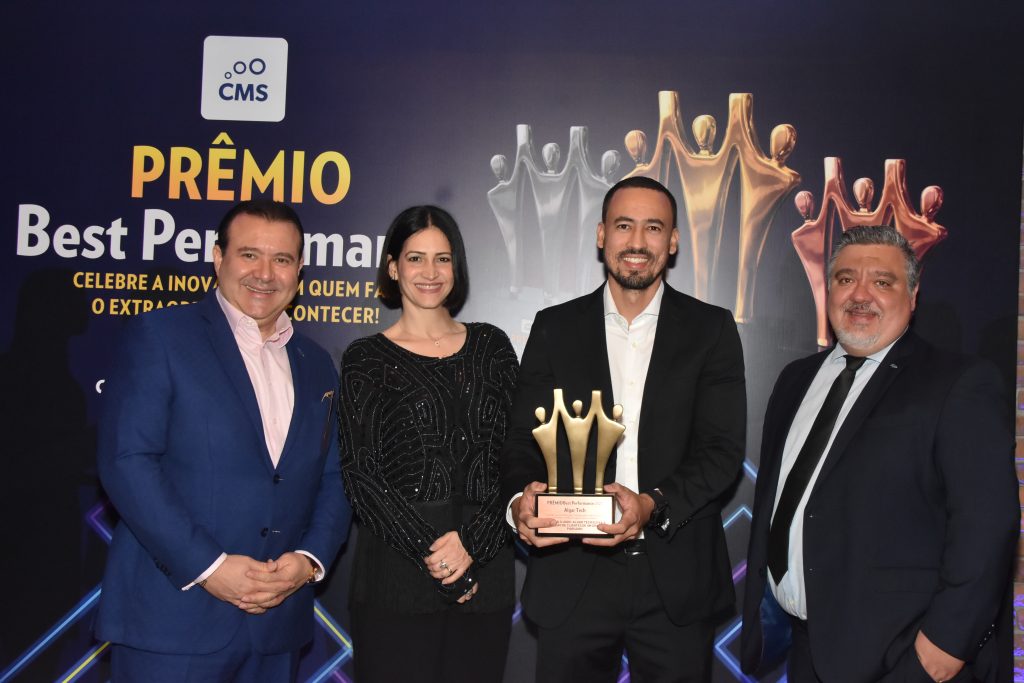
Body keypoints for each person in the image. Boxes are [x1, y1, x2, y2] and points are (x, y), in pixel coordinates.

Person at [741, 226, 1018, 682]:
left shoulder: (958, 383)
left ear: (912, 295)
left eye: (882, 282)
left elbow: (988, 526)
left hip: (903, 661)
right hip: (804, 652)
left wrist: (942, 651)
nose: (860, 294)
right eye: (846, 279)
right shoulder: (796, 380)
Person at [502, 176, 747, 682]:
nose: (637, 242)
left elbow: (721, 451)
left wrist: (650, 503)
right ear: (600, 235)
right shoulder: (553, 327)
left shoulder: (712, 328)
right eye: (624, 225)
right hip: (573, 576)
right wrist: (519, 504)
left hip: (675, 577)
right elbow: (521, 442)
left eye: (653, 227)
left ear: (673, 241)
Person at [96, 200, 351, 682]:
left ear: (299, 271)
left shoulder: (316, 362)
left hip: (276, 629)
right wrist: (210, 567)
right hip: (173, 622)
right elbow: (127, 462)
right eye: (249, 254)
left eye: (282, 259)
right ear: (218, 257)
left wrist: (309, 560)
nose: (264, 273)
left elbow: (335, 477)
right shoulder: (162, 336)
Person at [337, 205, 518, 682]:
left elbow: (516, 456)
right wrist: (435, 553)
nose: (430, 272)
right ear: (393, 267)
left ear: (456, 268)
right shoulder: (365, 357)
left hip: (486, 573)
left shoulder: (491, 346)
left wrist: (473, 546)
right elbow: (360, 475)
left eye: (443, 259)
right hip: (396, 579)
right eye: (416, 258)